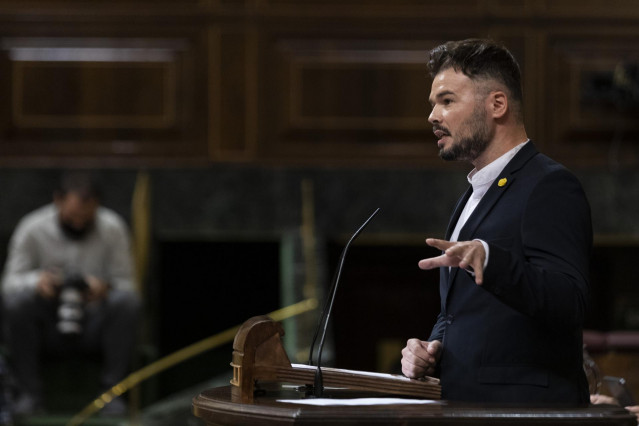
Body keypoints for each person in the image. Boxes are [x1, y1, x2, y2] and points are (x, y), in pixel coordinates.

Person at [400, 39, 592, 404]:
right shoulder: (470, 197)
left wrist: (489, 259)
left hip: (526, 412)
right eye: (433, 104)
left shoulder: (549, 185)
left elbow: (570, 301)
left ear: (497, 104)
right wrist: (431, 347)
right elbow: (461, 312)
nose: (432, 116)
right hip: (464, 406)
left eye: (447, 101)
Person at [1, 172, 141, 416]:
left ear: (97, 205)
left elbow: (128, 285)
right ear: (58, 201)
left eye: (85, 219)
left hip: (94, 323)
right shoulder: (32, 228)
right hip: (47, 325)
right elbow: (9, 283)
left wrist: (103, 287)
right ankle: (29, 395)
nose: (78, 224)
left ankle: (111, 395)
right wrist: (38, 281)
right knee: (17, 303)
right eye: (72, 217)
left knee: (127, 303)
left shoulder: (112, 228)